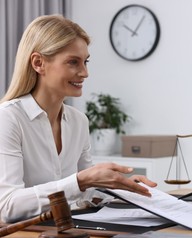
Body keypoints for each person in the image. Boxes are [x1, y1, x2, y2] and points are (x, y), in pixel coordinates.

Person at [0, 15, 157, 223]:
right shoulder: (9, 118)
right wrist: (81, 181)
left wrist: (123, 188)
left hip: (66, 233)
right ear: (38, 63)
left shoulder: (78, 121)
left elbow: (86, 193)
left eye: (86, 61)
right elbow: (7, 206)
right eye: (73, 62)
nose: (85, 73)